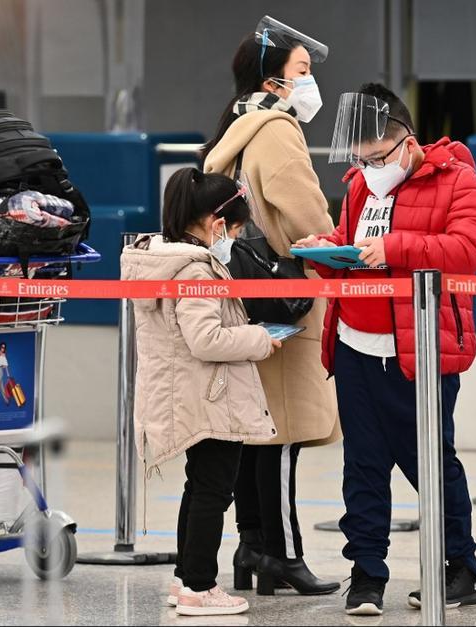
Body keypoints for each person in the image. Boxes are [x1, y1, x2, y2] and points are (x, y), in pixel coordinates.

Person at [295, 83, 476, 615]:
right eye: (361, 158)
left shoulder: (457, 178)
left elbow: (470, 249)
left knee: (430, 463)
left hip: (419, 350)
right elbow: (353, 246)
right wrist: (325, 252)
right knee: (362, 465)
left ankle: (459, 568)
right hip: (356, 346)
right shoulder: (361, 185)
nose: (368, 166)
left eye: (378, 156)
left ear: (406, 141)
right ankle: (366, 575)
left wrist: (393, 249)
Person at [202, 15, 340, 596]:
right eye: (302, 71)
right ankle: (283, 554)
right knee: (283, 433)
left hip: (244, 294)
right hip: (285, 293)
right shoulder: (277, 130)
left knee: (257, 432)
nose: (310, 83)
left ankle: (251, 548)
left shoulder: (232, 127)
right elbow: (307, 213)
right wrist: (337, 242)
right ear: (274, 80)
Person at [120, 168, 280, 617]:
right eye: (235, 229)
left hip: (186, 392)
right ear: (216, 224)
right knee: (213, 491)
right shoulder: (197, 269)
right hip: (209, 395)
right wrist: (260, 339)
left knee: (200, 488)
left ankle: (185, 579)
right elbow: (205, 339)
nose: (235, 238)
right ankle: (200, 586)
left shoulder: (162, 260)